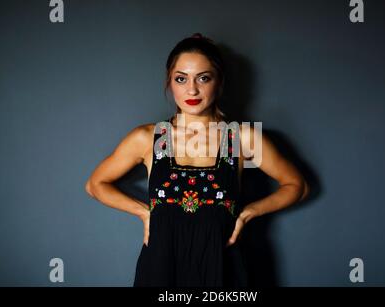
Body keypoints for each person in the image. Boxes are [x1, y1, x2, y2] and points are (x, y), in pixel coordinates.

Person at [85, 33, 309, 287]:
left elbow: (297, 186)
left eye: (204, 78)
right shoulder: (149, 138)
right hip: (161, 267)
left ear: (219, 82)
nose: (192, 89)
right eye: (181, 79)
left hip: (221, 269)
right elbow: (95, 185)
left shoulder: (241, 138)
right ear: (170, 82)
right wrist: (144, 213)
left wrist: (248, 213)